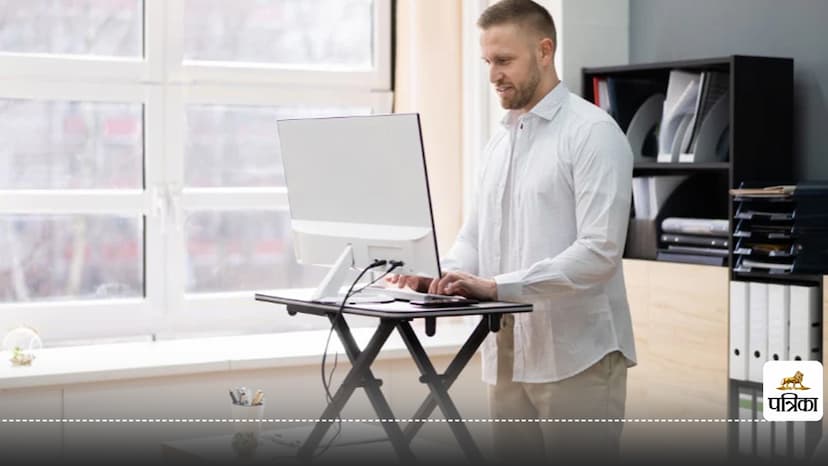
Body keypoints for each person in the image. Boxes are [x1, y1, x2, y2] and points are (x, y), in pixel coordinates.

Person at [389, 0, 636, 462]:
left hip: (575, 357)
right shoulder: (500, 141)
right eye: (487, 61)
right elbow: (478, 233)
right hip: (506, 351)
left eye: (504, 60)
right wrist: (444, 275)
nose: (492, 75)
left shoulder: (593, 134)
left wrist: (497, 287)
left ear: (544, 51)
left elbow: (600, 252)